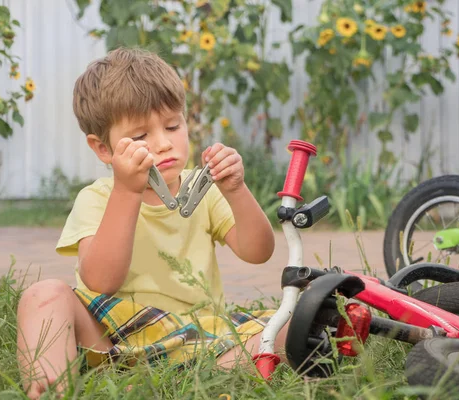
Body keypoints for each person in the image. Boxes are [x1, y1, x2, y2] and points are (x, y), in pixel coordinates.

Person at [15, 47, 285, 399]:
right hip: (114, 340)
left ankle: (204, 373)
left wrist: (236, 190)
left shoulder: (202, 190)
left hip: (201, 336)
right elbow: (101, 280)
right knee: (43, 295)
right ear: (103, 149)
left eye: (173, 125)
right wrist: (127, 192)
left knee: (291, 323)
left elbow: (258, 252)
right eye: (140, 136)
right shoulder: (96, 198)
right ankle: (51, 388)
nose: (162, 143)